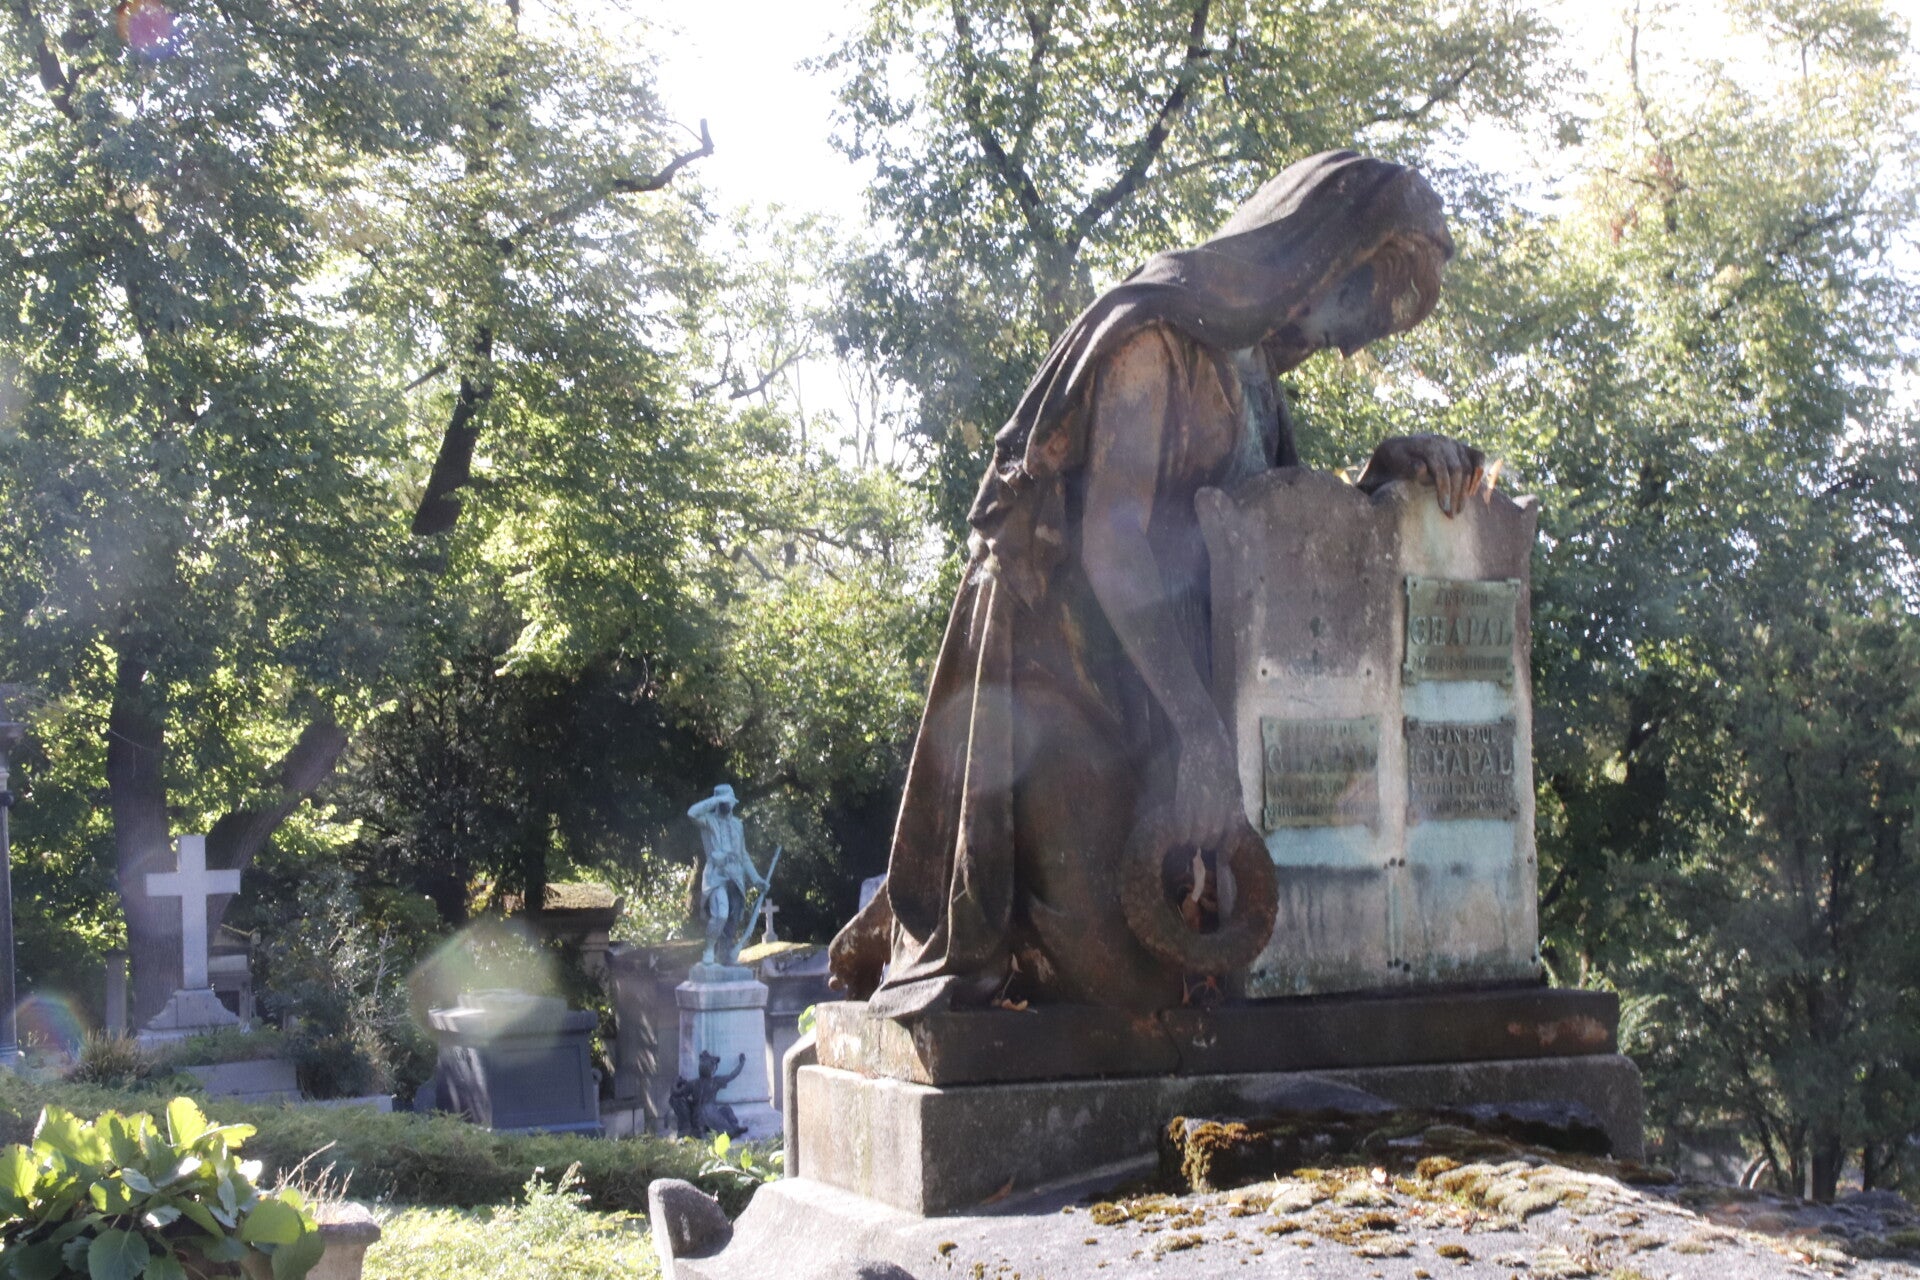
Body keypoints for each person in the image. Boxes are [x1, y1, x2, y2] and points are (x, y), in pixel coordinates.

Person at [829, 150, 1487, 1021]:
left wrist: (1381, 484)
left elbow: (1266, 540)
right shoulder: (1155, 333)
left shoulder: (1252, 375)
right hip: (1054, 677)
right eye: (1357, 303)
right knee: (1116, 988)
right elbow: (1112, 540)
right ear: (1313, 255)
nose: (1350, 341)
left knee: (1185, 973)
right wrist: (1199, 731)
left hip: (1157, 679)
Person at [687, 784, 767, 967]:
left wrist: (756, 879)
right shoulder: (708, 820)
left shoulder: (738, 825)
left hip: (736, 877)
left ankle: (725, 956)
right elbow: (691, 813)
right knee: (720, 915)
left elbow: (743, 855)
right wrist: (715, 799)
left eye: (730, 801)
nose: (728, 805)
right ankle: (709, 950)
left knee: (732, 920)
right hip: (716, 876)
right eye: (725, 802)